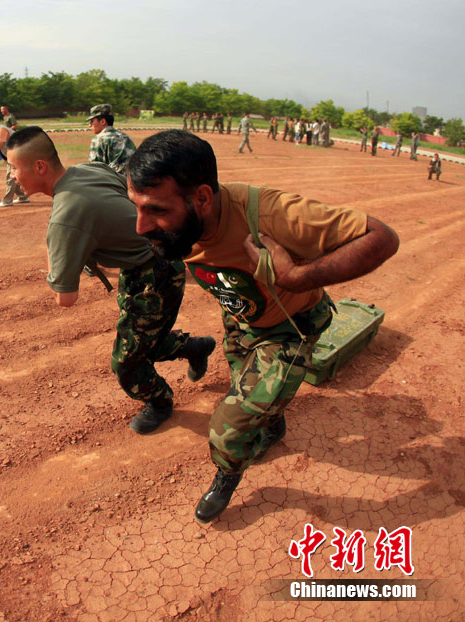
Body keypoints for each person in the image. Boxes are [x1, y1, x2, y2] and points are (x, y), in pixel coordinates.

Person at [126, 130, 399, 522]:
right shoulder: (169, 224)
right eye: (135, 207)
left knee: (229, 427)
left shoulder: (271, 215)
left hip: (289, 327)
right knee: (252, 389)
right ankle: (272, 421)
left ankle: (227, 473)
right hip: (242, 319)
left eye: (156, 210)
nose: (141, 226)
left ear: (202, 198)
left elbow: (382, 237)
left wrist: (295, 278)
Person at [6, 126, 216, 434]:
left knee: (127, 363)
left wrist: (58, 248)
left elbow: (65, 299)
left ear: (39, 167)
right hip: (143, 264)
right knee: (142, 340)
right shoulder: (87, 170)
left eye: (13, 167)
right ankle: (195, 347)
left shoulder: (65, 218)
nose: (11, 175)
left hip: (155, 272)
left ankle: (160, 402)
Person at [87, 104, 138, 174]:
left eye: (92, 121)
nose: (90, 125)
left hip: (112, 179)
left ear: (102, 121)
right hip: (131, 178)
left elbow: (94, 169)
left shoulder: (98, 140)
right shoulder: (125, 137)